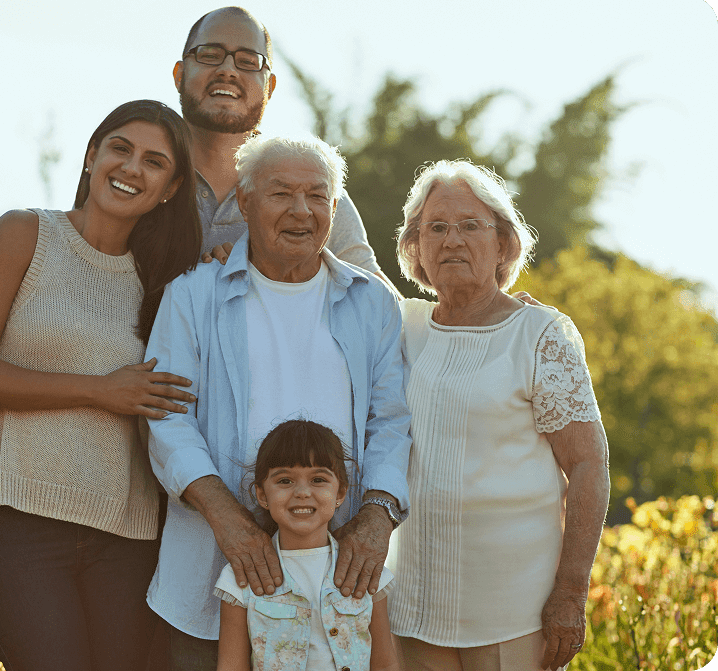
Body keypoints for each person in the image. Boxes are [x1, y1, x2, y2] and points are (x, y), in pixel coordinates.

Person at [0, 6, 397, 498]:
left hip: (265, 468)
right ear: (181, 73)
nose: (228, 70)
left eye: (248, 61)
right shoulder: (139, 177)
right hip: (120, 461)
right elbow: (70, 302)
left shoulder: (302, 191)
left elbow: (373, 315)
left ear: (269, 86)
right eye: (211, 55)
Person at [0, 99, 201, 670]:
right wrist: (98, 389)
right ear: (91, 157)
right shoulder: (24, 235)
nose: (132, 168)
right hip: (22, 523)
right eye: (120, 149)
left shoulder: (171, 282)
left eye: (154, 162)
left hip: (129, 535)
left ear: (170, 188)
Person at [144, 134, 411, 669]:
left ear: (334, 210)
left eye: (316, 196)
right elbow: (167, 419)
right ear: (243, 202)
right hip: (210, 575)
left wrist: (378, 516)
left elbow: (392, 422)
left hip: (343, 586)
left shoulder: (373, 302)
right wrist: (228, 519)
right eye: (280, 194)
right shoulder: (193, 295)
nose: (300, 210)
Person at [385, 160, 610, 671]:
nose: (452, 240)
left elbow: (589, 465)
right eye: (435, 228)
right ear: (415, 247)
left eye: (470, 226)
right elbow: (341, 273)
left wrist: (571, 591)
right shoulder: (402, 326)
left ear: (503, 244)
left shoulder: (539, 335)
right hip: (413, 606)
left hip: (516, 611)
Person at [214, 419, 400, 671]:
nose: (302, 492)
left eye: (318, 479)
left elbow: (386, 663)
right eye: (285, 481)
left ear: (341, 493)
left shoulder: (365, 570)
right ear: (261, 495)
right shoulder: (240, 579)